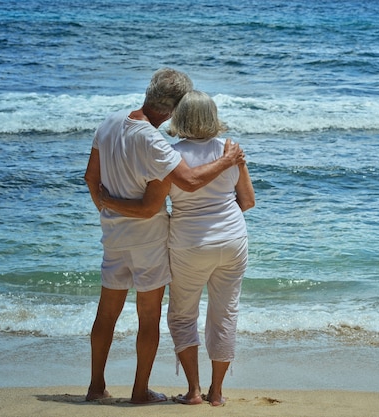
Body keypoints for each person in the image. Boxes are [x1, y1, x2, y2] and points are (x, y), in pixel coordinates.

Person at [83, 69, 245, 404]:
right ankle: (140, 391)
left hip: (113, 235)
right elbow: (182, 184)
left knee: (107, 314)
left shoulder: (110, 121)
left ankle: (96, 387)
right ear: (173, 110)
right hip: (150, 241)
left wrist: (107, 208)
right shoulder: (153, 140)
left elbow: (90, 177)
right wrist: (228, 159)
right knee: (149, 318)